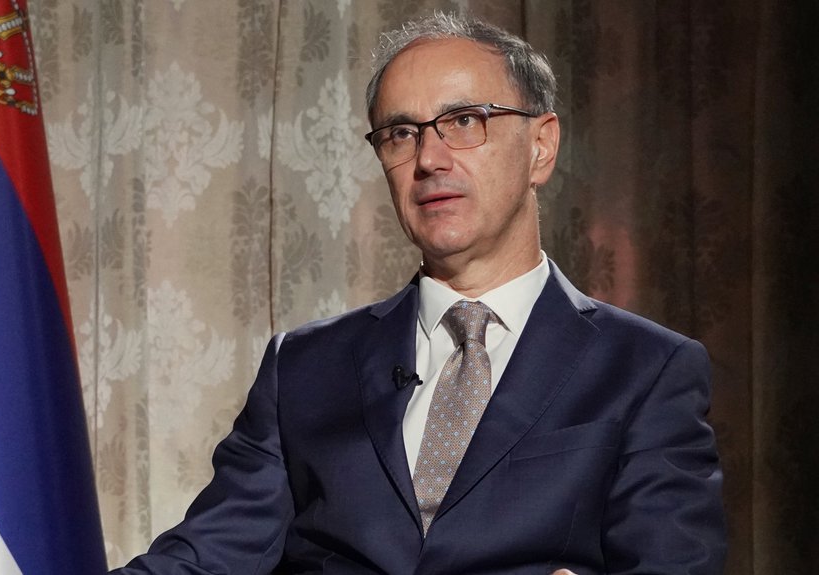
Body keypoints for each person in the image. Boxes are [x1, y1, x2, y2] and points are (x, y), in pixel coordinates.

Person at [111, 12, 725, 574]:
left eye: (464, 121)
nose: (430, 158)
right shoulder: (302, 369)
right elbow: (205, 558)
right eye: (401, 133)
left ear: (541, 147)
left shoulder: (647, 368)